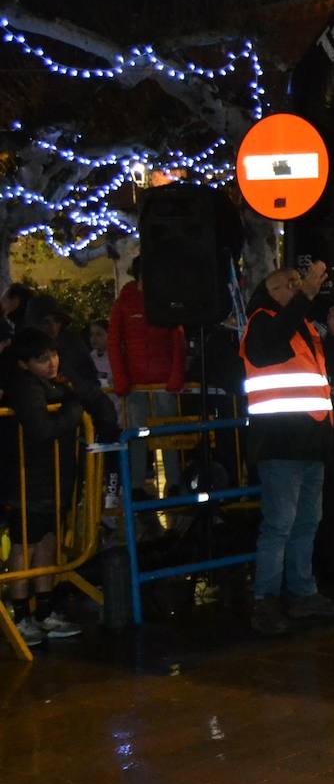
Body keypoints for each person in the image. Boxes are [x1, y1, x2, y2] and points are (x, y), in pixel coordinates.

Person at [240, 262, 334, 635]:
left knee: (305, 522)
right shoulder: (261, 322)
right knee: (280, 525)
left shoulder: (297, 326)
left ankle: (302, 594)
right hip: (282, 444)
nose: (295, 286)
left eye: (296, 282)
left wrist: (330, 335)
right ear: (269, 293)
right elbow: (273, 348)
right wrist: (306, 299)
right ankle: (265, 602)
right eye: (287, 284)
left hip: (307, 443)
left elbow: (307, 377)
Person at [3, 329, 118, 645]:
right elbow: (40, 429)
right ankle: (23, 614)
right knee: (24, 542)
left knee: (46, 540)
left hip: (50, 477)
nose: (51, 363)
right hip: (28, 478)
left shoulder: (53, 383)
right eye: (42, 359)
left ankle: (43, 609)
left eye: (53, 355)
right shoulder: (25, 387)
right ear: (25, 364)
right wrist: (72, 412)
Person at [109, 256, 188, 495]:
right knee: (138, 434)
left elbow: (177, 339)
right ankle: (136, 484)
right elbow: (114, 342)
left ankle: (171, 482)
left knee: (168, 433)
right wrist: (122, 379)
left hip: (161, 380)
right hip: (137, 383)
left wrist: (175, 376)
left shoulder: (162, 300)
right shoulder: (125, 301)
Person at [87, 319, 112, 388]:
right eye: (91, 334)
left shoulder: (117, 358)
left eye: (99, 334)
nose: (94, 338)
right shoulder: (89, 358)